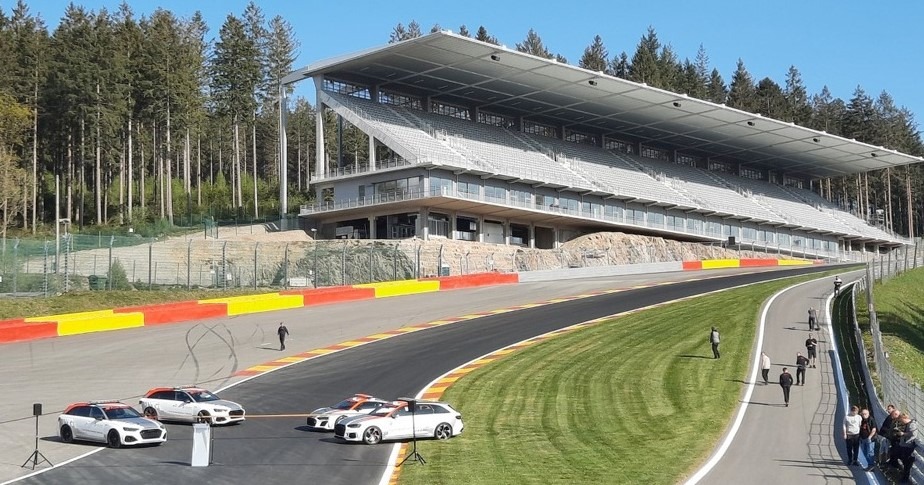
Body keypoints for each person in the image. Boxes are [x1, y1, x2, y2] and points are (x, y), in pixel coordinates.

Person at [894, 413, 918, 483]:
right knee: (902, 459)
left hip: (908, 446)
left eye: (901, 420)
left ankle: (905, 478)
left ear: (903, 418)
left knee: (907, 463)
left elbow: (913, 434)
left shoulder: (912, 424)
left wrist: (903, 434)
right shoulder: (907, 424)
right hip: (904, 444)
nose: (901, 422)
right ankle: (904, 475)